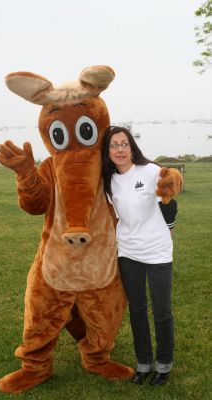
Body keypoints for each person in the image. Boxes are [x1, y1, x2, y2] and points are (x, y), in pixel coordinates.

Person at [101, 125, 180, 386]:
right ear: (108, 152)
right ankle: (144, 363)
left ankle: (164, 365)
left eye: (124, 144)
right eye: (114, 145)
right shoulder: (108, 180)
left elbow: (170, 199)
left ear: (132, 147)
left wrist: (168, 231)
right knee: (137, 309)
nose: (120, 149)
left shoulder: (149, 171)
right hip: (128, 252)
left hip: (157, 252)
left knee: (162, 312)